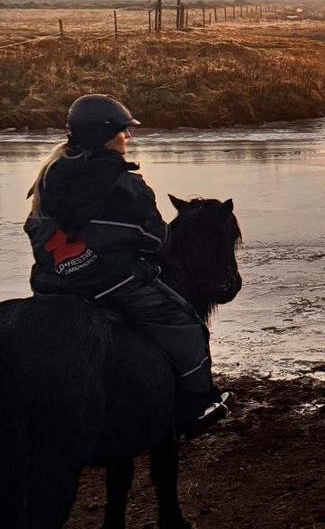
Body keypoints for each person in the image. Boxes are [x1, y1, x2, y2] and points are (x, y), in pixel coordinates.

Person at [24, 93, 234, 439]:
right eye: (123, 130)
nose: (128, 137)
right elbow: (155, 241)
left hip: (51, 282)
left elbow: (35, 230)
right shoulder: (125, 184)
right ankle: (197, 406)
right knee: (188, 327)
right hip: (110, 283)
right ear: (105, 134)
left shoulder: (49, 174)